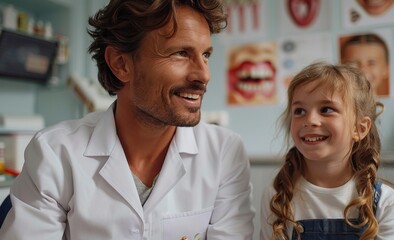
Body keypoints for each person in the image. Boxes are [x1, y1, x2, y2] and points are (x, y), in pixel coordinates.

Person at [0, 0, 255, 239]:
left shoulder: (224, 153)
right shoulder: (56, 153)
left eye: (206, 55)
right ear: (121, 64)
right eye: (180, 53)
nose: (203, 74)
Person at [260, 62, 394, 240]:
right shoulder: (277, 196)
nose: (310, 120)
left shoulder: (385, 201)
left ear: (360, 128)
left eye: (326, 109)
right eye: (299, 111)